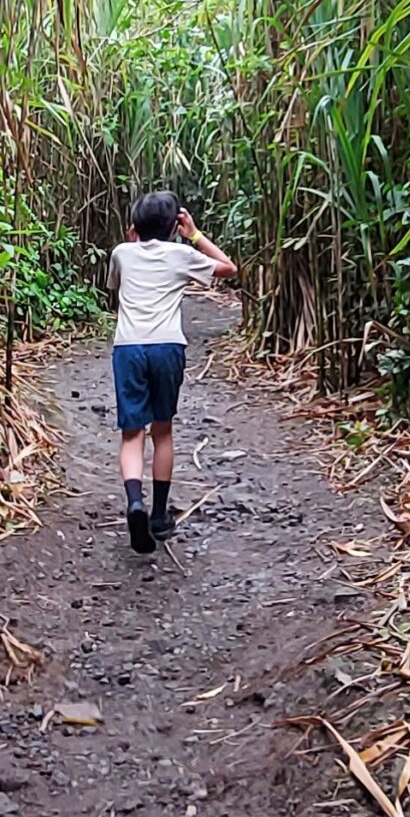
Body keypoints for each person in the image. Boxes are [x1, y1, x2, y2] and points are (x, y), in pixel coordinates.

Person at [106, 190, 237, 553]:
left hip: (129, 347)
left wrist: (134, 242)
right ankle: (160, 515)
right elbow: (228, 267)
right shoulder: (181, 254)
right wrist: (193, 234)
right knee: (162, 431)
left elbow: (116, 286)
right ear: (173, 226)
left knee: (132, 434)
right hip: (167, 347)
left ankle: (135, 501)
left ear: (134, 227)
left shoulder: (121, 252)